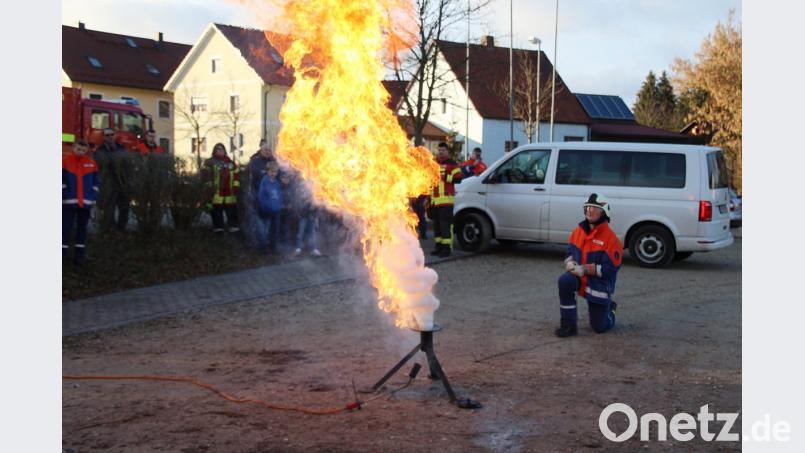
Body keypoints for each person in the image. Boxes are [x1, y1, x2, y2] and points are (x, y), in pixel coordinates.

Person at [555, 193, 623, 337]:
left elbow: (609, 270)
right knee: (565, 281)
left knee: (599, 327)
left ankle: (610, 310)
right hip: (579, 277)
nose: (589, 211)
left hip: (598, 284)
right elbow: (570, 252)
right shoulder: (578, 231)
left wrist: (585, 269)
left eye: (594, 208)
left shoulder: (612, 240)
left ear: (604, 212)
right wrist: (569, 262)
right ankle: (569, 325)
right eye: (587, 207)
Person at [63, 139, 101, 266]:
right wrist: (65, 194)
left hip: (85, 203)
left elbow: (96, 183)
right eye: (78, 149)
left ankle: (80, 256)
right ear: (74, 148)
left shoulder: (91, 163)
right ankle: (62, 256)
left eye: (83, 150)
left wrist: (92, 196)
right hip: (68, 203)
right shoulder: (65, 162)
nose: (80, 152)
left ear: (87, 151)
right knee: (65, 229)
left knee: (82, 230)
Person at [429, 142, 463, 257]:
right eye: (439, 150)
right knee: (437, 226)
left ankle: (446, 249)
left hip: (446, 201)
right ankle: (438, 247)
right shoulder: (434, 164)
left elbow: (458, 179)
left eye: (443, 150)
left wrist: (445, 176)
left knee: (445, 226)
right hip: (435, 201)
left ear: (447, 151)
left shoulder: (452, 164)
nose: (441, 152)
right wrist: (428, 199)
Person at [94, 128, 132, 232]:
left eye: (112, 134)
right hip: (108, 183)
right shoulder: (100, 151)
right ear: (104, 137)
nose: (110, 137)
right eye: (107, 135)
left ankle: (121, 229)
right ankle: (110, 230)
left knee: (124, 207)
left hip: (122, 182)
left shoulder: (122, 149)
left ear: (115, 135)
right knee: (109, 208)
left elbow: (128, 165)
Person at [203, 143, 241, 234]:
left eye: (222, 149)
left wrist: (236, 186)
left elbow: (237, 175)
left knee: (232, 214)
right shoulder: (209, 162)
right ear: (214, 151)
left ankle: (233, 232)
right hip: (216, 195)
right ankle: (218, 232)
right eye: (218, 149)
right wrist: (209, 188)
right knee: (216, 214)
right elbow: (205, 176)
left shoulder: (231, 163)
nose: (220, 151)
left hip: (230, 195)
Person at [256, 162, 283, 254]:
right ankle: (262, 249)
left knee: (274, 231)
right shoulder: (264, 182)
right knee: (265, 231)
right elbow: (261, 197)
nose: (273, 174)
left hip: (276, 211)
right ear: (267, 171)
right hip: (266, 211)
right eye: (271, 171)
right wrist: (267, 207)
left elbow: (279, 195)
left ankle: (273, 247)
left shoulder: (276, 183)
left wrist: (279, 206)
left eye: (275, 172)